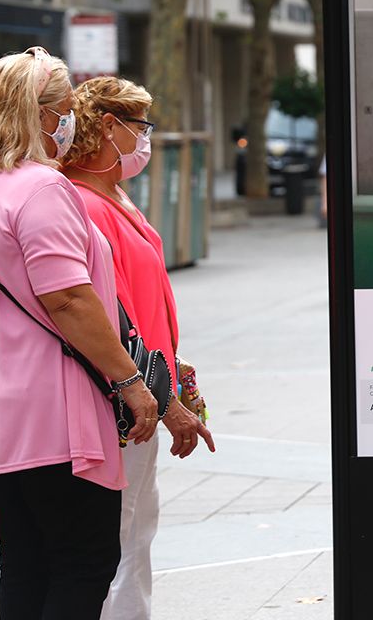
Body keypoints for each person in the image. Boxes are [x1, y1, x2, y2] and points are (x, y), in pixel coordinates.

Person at [0, 47, 160, 618]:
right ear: (39, 115)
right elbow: (67, 299)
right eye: (63, 108)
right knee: (82, 562)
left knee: (28, 565)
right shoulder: (40, 189)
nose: (68, 122)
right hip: (53, 418)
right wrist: (132, 382)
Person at [60, 76, 214, 619]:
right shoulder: (84, 204)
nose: (147, 138)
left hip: (146, 387)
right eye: (141, 126)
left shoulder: (114, 195)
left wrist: (177, 372)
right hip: (125, 399)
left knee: (136, 528)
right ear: (109, 127)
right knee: (121, 533)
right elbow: (114, 317)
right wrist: (164, 402)